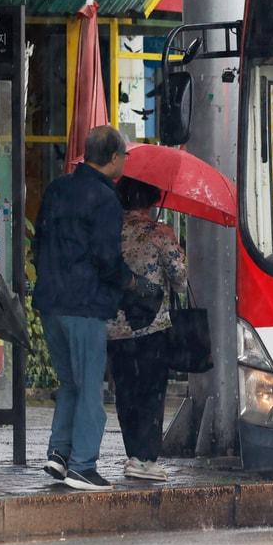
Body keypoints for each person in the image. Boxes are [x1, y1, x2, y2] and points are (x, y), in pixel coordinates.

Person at [34, 125, 133, 491]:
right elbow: (107, 258)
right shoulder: (106, 198)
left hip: (51, 303)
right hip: (86, 303)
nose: (125, 160)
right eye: (124, 155)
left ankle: (59, 455)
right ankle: (82, 465)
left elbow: (39, 241)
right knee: (90, 387)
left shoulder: (57, 188)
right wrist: (131, 284)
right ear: (112, 158)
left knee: (70, 383)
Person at [107, 178, 186, 482]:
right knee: (152, 391)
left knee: (125, 391)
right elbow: (179, 277)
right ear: (152, 199)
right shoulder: (160, 233)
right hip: (153, 326)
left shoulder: (109, 231)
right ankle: (147, 458)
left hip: (115, 326)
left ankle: (132, 455)